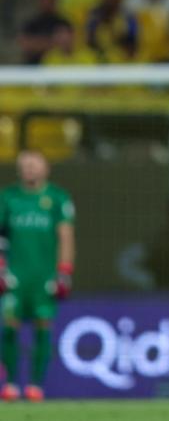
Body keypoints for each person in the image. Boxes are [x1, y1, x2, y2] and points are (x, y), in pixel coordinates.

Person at [0, 150, 76, 402]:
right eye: (24, 165)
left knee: (43, 328)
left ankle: (35, 386)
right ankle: (10, 384)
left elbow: (65, 235)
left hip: (44, 277)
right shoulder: (8, 197)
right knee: (10, 327)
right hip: (15, 276)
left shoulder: (56, 198)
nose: (29, 169)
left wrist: (64, 271)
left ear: (46, 168)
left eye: (34, 164)